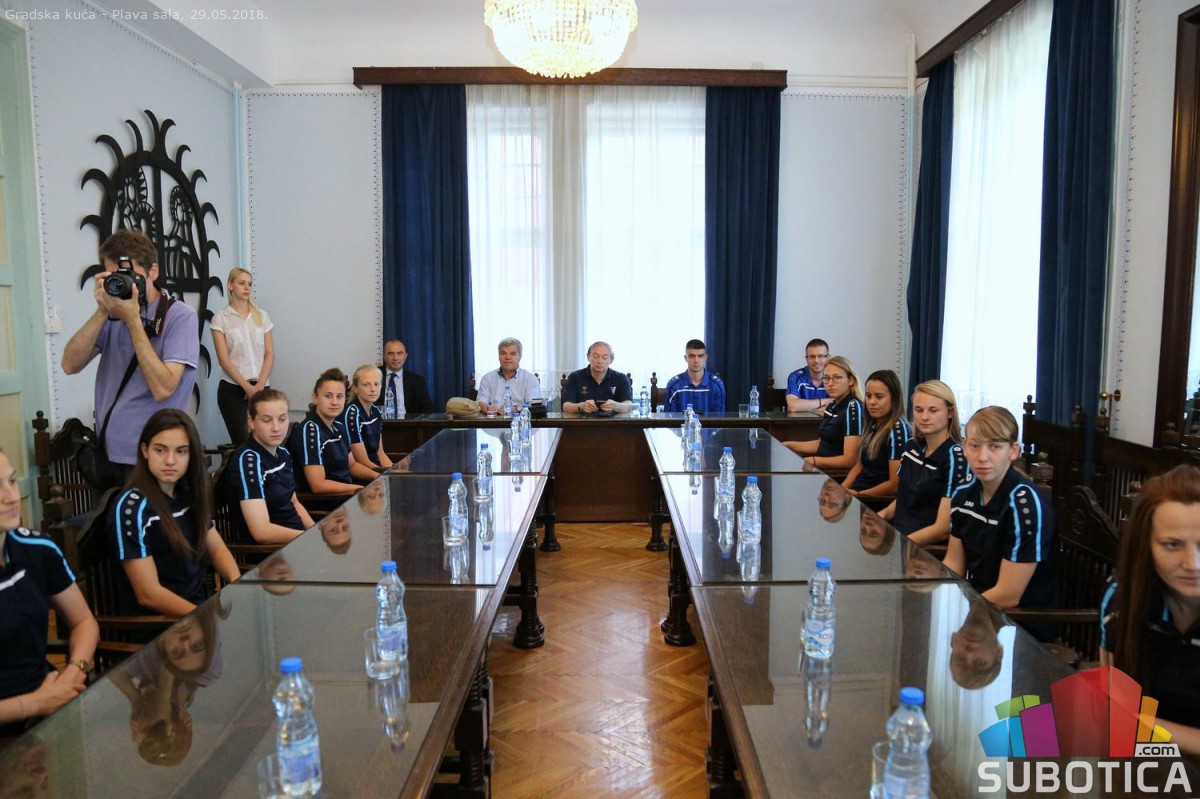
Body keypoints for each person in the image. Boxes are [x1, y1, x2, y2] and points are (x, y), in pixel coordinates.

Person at [61, 230, 199, 474]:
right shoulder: (111, 315)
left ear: (153, 272)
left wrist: (133, 320)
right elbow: (69, 365)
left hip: (153, 458)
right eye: (113, 277)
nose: (122, 283)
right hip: (108, 453)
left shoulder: (179, 316)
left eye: (127, 275)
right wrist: (102, 311)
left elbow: (164, 388)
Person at [0, 445, 100, 736]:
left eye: (12, 481)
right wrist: (34, 704)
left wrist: (74, 672)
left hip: (47, 704)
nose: (11, 496)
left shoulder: (38, 548)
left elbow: (84, 622)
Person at [1100, 465, 1200, 753]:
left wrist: (1143, 726)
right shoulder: (1121, 597)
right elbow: (1114, 700)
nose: (1192, 564)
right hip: (1144, 758)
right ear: (1146, 546)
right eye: (1172, 545)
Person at [108, 410, 241, 617]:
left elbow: (217, 550)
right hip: (164, 624)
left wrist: (238, 588)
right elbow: (149, 594)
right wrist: (204, 618)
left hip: (202, 608)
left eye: (181, 451)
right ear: (145, 450)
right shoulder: (131, 508)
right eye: (160, 450)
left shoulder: (187, 493)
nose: (170, 460)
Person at [943, 406, 1056, 612]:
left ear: (1013, 451)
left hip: (1019, 619)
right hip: (979, 605)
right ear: (964, 447)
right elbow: (954, 564)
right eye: (975, 446)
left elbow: (1007, 595)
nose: (982, 457)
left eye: (995, 447)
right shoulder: (963, 493)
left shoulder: (1025, 505)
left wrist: (960, 615)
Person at [879, 380, 971, 547]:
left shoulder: (956, 457)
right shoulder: (911, 446)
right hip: (897, 535)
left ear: (950, 413)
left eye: (933, 410)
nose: (924, 417)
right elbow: (905, 498)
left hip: (922, 547)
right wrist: (881, 516)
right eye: (919, 410)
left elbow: (942, 529)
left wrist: (900, 545)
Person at [228, 388, 313, 545]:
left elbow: (294, 503)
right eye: (267, 420)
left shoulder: (283, 452)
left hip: (298, 540)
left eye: (282, 419)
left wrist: (316, 533)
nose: (276, 428)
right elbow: (262, 532)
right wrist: (309, 538)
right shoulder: (249, 460)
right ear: (251, 421)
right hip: (274, 551)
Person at [210, 267, 275, 445]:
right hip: (233, 388)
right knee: (243, 443)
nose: (247, 288)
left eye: (249, 284)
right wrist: (248, 388)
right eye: (241, 283)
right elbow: (223, 359)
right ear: (230, 285)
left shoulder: (262, 316)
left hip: (261, 386)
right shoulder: (220, 318)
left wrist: (259, 385)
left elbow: (269, 353)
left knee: (266, 440)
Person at [290, 368, 377, 496]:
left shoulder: (338, 426)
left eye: (340, 396)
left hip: (348, 493)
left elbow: (352, 465)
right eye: (328, 396)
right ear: (315, 397)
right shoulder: (310, 430)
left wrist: (379, 477)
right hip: (328, 502)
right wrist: (359, 489)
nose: (334, 402)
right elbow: (318, 485)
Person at [784, 355, 864, 470]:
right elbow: (822, 445)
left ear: (851, 380)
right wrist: (789, 445)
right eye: (826, 378)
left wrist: (813, 460)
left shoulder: (853, 407)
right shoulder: (832, 405)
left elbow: (850, 460)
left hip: (838, 473)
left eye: (836, 378)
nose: (830, 383)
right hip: (824, 466)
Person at [841, 370, 911, 499]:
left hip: (873, 499)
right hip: (858, 492)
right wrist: (841, 489)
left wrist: (859, 494)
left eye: (879, 397)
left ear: (894, 398)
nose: (871, 402)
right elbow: (860, 466)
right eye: (868, 396)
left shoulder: (898, 429)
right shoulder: (873, 424)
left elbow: (894, 485)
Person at [343, 365, 393, 470]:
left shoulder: (376, 411)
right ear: (355, 388)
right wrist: (385, 476)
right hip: (363, 472)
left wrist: (394, 471)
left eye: (376, 384)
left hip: (377, 468)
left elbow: (380, 453)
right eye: (366, 385)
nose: (373, 389)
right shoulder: (352, 413)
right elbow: (363, 462)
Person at [562, 341, 633, 414]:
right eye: (596, 356)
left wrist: (616, 406)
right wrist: (581, 406)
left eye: (604, 357)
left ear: (611, 360)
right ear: (588, 357)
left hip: (613, 420)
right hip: (583, 420)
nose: (599, 361)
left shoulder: (621, 378)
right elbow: (565, 406)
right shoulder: (575, 377)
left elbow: (629, 406)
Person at [477, 337, 542, 415]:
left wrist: (515, 409)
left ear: (520, 356)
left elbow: (533, 405)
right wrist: (487, 408)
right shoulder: (487, 378)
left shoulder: (530, 379)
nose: (507, 357)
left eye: (513, 354)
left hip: (520, 420)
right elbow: (480, 402)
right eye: (503, 353)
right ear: (499, 356)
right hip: (493, 419)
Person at [663, 339, 726, 415]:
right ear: (686, 358)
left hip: (710, 423)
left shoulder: (716, 385)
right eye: (692, 356)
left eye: (700, 356)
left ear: (705, 358)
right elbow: (669, 419)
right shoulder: (674, 386)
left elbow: (719, 419)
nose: (696, 360)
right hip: (682, 423)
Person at [380, 339, 435, 417]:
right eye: (391, 354)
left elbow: (428, 409)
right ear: (384, 357)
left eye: (400, 353)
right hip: (380, 423)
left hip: (408, 423)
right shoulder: (373, 377)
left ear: (405, 356)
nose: (395, 358)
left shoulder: (417, 381)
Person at [785, 338, 831, 413]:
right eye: (812, 356)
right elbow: (793, 406)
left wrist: (805, 407)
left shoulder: (835, 378)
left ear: (828, 358)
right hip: (801, 421)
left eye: (820, 356)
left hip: (829, 421)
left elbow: (840, 406)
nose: (816, 361)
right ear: (806, 359)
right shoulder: (796, 377)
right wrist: (827, 401)